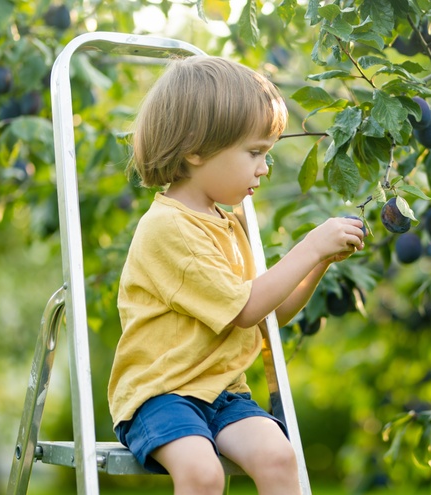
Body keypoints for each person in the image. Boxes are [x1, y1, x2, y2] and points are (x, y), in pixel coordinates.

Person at [107, 55, 365, 495]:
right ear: (195, 150)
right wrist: (309, 245)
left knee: (280, 456)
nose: (264, 168)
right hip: (162, 394)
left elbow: (270, 312)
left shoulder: (226, 224)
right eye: (255, 153)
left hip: (223, 393)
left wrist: (320, 261)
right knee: (203, 473)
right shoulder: (169, 227)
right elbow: (245, 309)